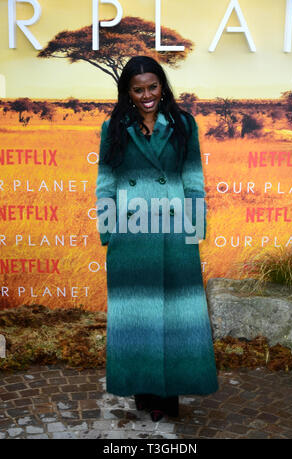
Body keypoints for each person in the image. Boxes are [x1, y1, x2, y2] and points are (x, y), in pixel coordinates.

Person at [95, 55, 219, 422]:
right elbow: (105, 182)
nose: (146, 95)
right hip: (130, 237)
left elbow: (194, 179)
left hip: (175, 234)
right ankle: (144, 389)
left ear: (161, 86)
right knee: (137, 316)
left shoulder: (184, 124)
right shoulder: (114, 127)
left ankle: (170, 394)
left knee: (178, 316)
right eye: (138, 90)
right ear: (127, 92)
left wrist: (194, 230)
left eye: (152, 87)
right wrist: (109, 231)